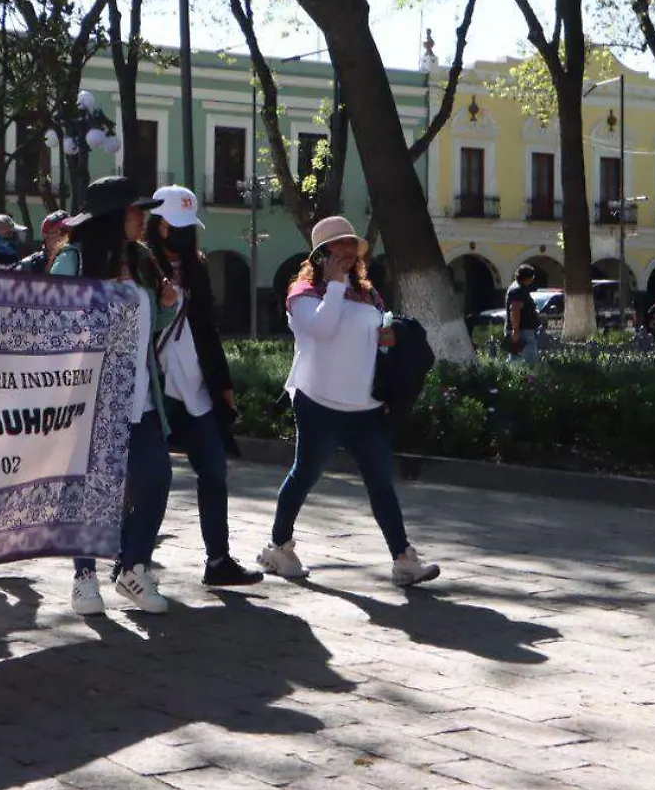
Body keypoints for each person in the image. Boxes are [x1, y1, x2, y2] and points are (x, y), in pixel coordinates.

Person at [258, 216, 442, 588]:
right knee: (305, 474)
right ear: (321, 253)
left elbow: (377, 343)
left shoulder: (369, 293)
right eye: (339, 246)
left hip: (364, 407)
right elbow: (323, 329)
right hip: (317, 403)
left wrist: (392, 348)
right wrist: (336, 286)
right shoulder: (303, 294)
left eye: (351, 246)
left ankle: (403, 559)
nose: (347, 252)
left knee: (380, 482)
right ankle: (278, 547)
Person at [52, 175, 181, 615]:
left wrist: (167, 303)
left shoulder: (143, 259)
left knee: (157, 479)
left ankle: (132, 567)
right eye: (135, 211)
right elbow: (51, 326)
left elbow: (153, 328)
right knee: (92, 490)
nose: (143, 219)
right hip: (89, 400)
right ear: (113, 217)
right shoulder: (71, 262)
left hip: (141, 399)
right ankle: (84, 577)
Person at [145, 185, 263, 587]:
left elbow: (208, 329)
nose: (181, 234)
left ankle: (218, 560)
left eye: (186, 227)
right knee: (149, 476)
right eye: (174, 226)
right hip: (154, 387)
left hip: (195, 386)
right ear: (157, 225)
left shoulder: (197, 264)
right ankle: (132, 561)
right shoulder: (140, 263)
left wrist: (223, 384)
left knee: (214, 469)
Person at [504, 265, 543, 363]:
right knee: (528, 360)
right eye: (532, 278)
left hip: (523, 330)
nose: (532, 280)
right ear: (528, 278)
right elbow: (515, 309)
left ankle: (520, 377)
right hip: (522, 332)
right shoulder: (517, 290)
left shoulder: (519, 288)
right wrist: (515, 331)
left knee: (516, 359)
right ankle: (529, 377)